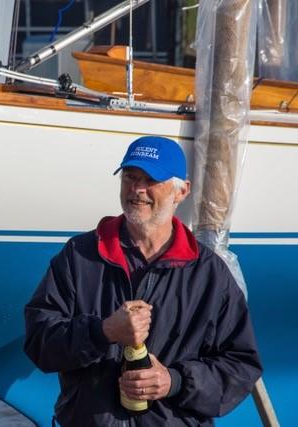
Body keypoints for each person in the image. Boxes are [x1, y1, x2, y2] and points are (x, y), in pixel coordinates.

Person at [24, 135, 262, 426]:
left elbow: (241, 367)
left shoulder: (209, 274)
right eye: (130, 177)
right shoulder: (80, 255)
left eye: (151, 180)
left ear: (181, 191)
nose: (137, 189)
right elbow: (39, 344)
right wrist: (102, 331)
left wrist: (173, 381)